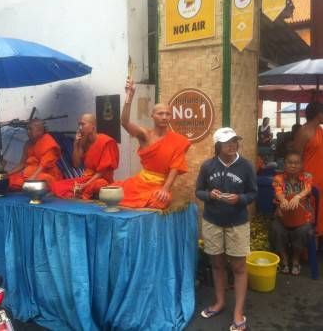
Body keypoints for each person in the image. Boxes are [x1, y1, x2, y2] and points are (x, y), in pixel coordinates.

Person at [195, 127, 257, 331]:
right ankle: (220, 302)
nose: (232, 145)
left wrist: (240, 199)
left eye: (234, 141)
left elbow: (253, 193)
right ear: (218, 146)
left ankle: (238, 312)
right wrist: (209, 195)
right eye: (227, 142)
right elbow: (199, 191)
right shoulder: (207, 166)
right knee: (217, 265)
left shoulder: (246, 166)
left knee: (239, 267)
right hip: (212, 221)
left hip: (237, 223)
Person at [112, 78, 190, 209]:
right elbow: (125, 122)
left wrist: (165, 189)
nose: (164, 117)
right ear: (152, 115)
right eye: (160, 113)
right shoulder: (145, 135)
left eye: (167, 114)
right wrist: (129, 97)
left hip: (158, 186)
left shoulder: (178, 140)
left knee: (160, 200)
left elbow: (174, 169)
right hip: (140, 182)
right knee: (111, 190)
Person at [51, 113, 119, 199]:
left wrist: (85, 185)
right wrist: (76, 144)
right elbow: (76, 164)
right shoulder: (84, 142)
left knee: (100, 184)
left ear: (93, 127)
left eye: (82, 124)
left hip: (101, 179)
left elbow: (102, 172)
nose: (80, 128)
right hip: (86, 178)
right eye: (79, 125)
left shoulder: (106, 142)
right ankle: (82, 192)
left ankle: (82, 192)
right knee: (57, 186)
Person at [271, 151, 313, 276]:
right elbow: (278, 192)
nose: (293, 166)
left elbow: (308, 188)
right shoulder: (278, 178)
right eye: (290, 163)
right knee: (276, 229)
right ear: (285, 164)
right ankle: (284, 260)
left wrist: (298, 197)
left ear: (301, 165)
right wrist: (283, 199)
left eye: (296, 163)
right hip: (283, 216)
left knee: (303, 231)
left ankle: (295, 260)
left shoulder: (306, 176)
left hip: (302, 218)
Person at [293, 102, 323, 235]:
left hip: (320, 176)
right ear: (319, 115)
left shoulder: (320, 130)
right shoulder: (303, 132)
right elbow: (295, 158)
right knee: (309, 214)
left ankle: (317, 241)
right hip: (308, 179)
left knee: (319, 212)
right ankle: (306, 251)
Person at [8, 119, 63, 190]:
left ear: (40, 130)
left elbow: (43, 166)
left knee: (40, 180)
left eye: (30, 129)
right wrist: (8, 173)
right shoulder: (27, 144)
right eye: (27, 129)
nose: (28, 132)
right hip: (29, 175)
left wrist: (32, 178)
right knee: (9, 179)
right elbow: (22, 164)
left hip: (47, 174)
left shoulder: (48, 141)